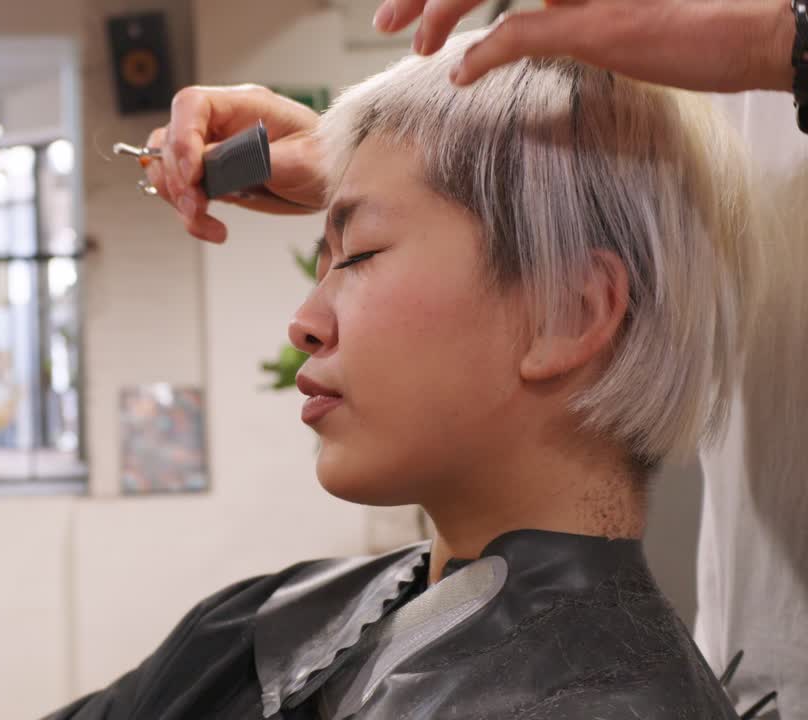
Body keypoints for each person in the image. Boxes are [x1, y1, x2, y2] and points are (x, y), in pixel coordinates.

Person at [48, 27, 764, 719]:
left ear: (568, 313)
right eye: (323, 262)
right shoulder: (258, 630)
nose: (304, 321)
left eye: (355, 256)